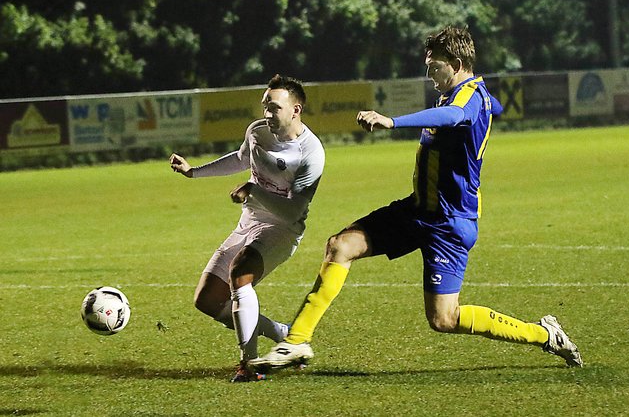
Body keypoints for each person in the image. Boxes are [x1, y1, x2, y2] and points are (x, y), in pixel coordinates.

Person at [250, 26, 582, 373]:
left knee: (444, 319)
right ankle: (296, 342)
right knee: (341, 245)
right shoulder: (472, 95)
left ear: (455, 63)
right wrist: (490, 107)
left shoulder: (466, 99)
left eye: (434, 67)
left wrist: (392, 121)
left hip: (449, 224)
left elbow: (455, 116)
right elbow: (488, 106)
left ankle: (544, 335)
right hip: (417, 209)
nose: (429, 74)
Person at [170, 74, 325, 382]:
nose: (268, 113)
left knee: (240, 274)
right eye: (265, 105)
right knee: (208, 300)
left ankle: (249, 364)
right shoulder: (256, 131)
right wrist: (193, 172)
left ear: (296, 110)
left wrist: (255, 192)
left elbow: (294, 209)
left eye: (275, 107)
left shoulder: (311, 153)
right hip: (248, 223)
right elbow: (242, 158)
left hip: (282, 229)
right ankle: (284, 334)